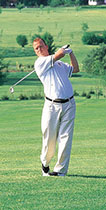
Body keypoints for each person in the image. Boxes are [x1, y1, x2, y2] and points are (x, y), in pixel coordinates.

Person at [33, 38, 79, 177]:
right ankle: (45, 164)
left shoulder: (59, 64)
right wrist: (62, 50)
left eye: (41, 46)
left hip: (69, 104)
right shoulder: (40, 63)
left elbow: (75, 69)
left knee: (66, 138)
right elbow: (58, 54)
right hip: (52, 106)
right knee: (49, 139)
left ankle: (60, 171)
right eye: (36, 48)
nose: (39, 49)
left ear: (46, 46)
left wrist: (71, 53)